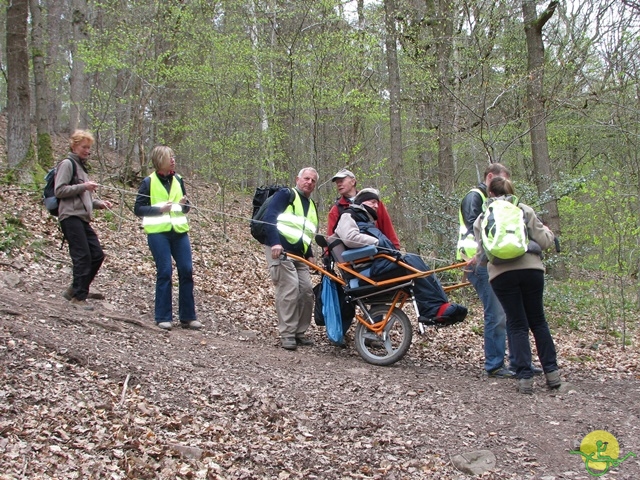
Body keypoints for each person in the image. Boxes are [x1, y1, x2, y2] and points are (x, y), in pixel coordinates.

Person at [473, 176, 561, 394]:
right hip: (532, 270)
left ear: (489, 193)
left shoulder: (482, 218)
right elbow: (545, 241)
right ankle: (553, 376)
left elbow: (482, 254)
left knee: (516, 324)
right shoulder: (524, 210)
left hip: (502, 275)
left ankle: (524, 379)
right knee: (538, 321)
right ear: (512, 190)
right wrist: (548, 232)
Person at [329, 188, 467, 324]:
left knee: (415, 265)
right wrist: (376, 243)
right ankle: (434, 310)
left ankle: (439, 306)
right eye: (372, 202)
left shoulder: (366, 220)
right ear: (361, 202)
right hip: (367, 269)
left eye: (377, 202)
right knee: (411, 261)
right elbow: (350, 238)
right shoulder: (349, 215)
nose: (376, 206)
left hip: (379, 263)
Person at [459, 163, 517, 378]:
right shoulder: (475, 197)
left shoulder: (490, 200)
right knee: (496, 313)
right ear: (490, 177)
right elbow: (475, 226)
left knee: (506, 311)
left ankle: (515, 361)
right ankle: (494, 364)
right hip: (477, 261)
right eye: (501, 181)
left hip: (493, 260)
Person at [134, 146, 200, 331]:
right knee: (164, 272)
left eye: (173, 156)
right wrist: (159, 209)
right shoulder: (148, 182)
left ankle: (188, 317)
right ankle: (163, 317)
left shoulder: (178, 179)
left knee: (186, 270)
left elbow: (185, 207)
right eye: (169, 157)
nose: (173, 160)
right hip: (158, 233)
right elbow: (138, 208)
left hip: (179, 232)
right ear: (159, 160)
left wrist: (184, 206)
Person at [262, 167, 319, 350]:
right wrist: (275, 243)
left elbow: (304, 231)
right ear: (298, 179)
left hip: (299, 255)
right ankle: (287, 334)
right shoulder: (286, 195)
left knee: (307, 291)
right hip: (280, 250)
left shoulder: (311, 205)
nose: (309, 182)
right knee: (289, 288)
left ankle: (299, 332)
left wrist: (309, 253)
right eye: (306, 178)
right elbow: (270, 217)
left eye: (313, 181)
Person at [55, 130, 112, 311]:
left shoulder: (81, 167)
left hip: (82, 217)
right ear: (74, 146)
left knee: (97, 255)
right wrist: (84, 186)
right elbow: (60, 190)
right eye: (84, 147)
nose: (87, 150)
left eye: (89, 147)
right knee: (83, 256)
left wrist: (98, 203)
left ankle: (75, 289)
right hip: (70, 217)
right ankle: (79, 298)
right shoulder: (67, 164)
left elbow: (83, 196)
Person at [327, 168, 400, 249]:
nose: (339, 184)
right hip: (354, 254)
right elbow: (331, 236)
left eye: (341, 181)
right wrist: (328, 254)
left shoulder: (373, 202)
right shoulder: (336, 209)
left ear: (353, 181)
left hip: (379, 251)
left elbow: (387, 226)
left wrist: (396, 248)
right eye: (337, 182)